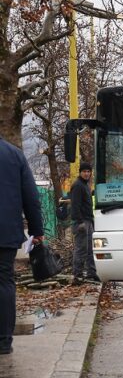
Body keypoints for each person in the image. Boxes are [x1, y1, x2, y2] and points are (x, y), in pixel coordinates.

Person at [0, 135, 44, 355]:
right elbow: (31, 196)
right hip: (5, 232)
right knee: (4, 281)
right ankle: (3, 341)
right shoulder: (14, 155)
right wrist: (37, 230)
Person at [70, 162, 98, 284]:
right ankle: (77, 276)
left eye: (88, 171)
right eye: (84, 171)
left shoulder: (85, 185)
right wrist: (80, 221)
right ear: (80, 172)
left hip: (88, 220)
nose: (87, 173)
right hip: (81, 222)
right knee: (81, 249)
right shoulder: (78, 185)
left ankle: (91, 273)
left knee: (90, 249)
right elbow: (75, 205)